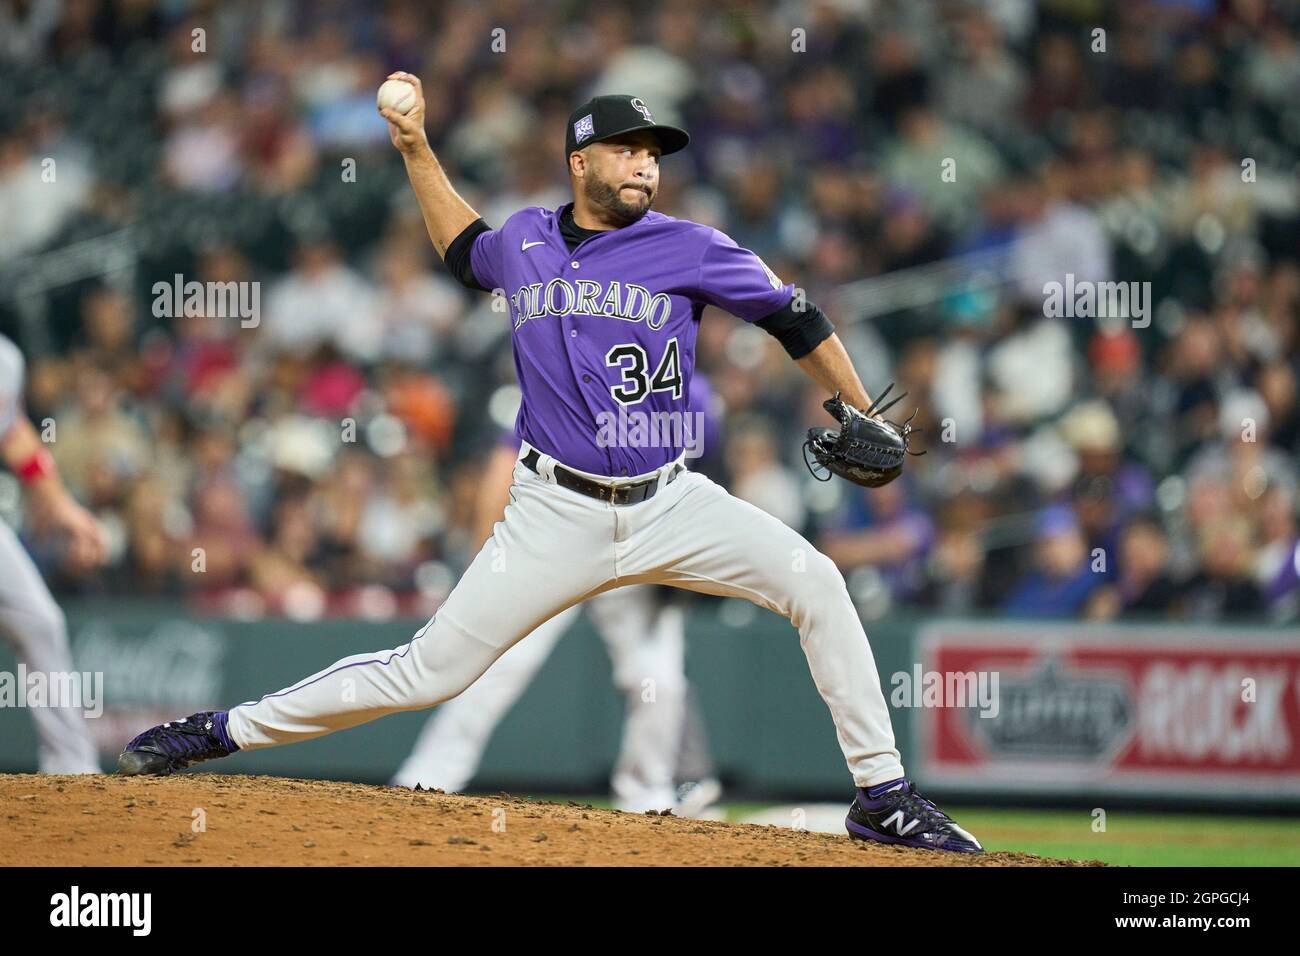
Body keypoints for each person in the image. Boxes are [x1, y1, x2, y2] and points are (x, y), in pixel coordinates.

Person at [118, 80, 982, 853]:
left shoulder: (692, 246)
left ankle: (883, 796)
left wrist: (858, 407)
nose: (647, 164)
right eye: (629, 149)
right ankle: (219, 731)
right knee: (429, 672)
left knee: (818, 582)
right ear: (580, 161)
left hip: (672, 502)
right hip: (552, 511)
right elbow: (462, 247)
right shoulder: (525, 239)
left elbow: (797, 317)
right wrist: (416, 148)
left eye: (655, 153)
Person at [0, 335, 108, 773]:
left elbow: (12, 433)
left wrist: (60, 504)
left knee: (40, 622)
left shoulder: (5, 358)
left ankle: (72, 767)